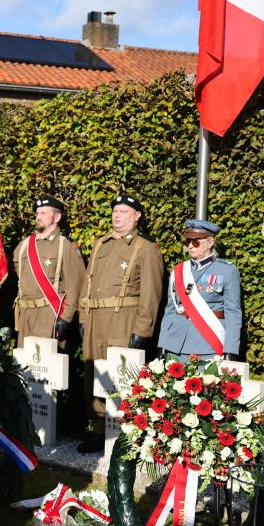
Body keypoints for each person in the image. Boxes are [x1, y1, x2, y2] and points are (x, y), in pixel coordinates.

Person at [77, 193, 164, 453]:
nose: (117, 215)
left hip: (123, 321)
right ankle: (98, 430)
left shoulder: (146, 247)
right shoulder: (100, 244)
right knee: (94, 376)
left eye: (124, 211)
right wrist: (83, 316)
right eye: (115, 210)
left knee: (123, 379)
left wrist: (143, 329)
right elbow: (87, 283)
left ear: (137, 216)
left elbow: (152, 293)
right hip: (95, 321)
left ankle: (128, 435)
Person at [157, 220, 242, 360]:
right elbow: (170, 311)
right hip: (176, 343)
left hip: (208, 344)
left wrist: (230, 350)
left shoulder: (227, 270)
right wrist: (163, 344)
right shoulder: (179, 271)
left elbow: (233, 313)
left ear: (210, 242)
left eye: (196, 242)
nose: (190, 246)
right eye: (188, 241)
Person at [12, 196, 86, 348]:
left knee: (47, 367)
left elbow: (76, 287)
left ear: (57, 217)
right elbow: (19, 274)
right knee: (24, 367)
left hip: (50, 314)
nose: (38, 217)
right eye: (37, 213)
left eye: (44, 213)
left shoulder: (65, 245)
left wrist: (66, 318)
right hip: (25, 315)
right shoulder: (24, 245)